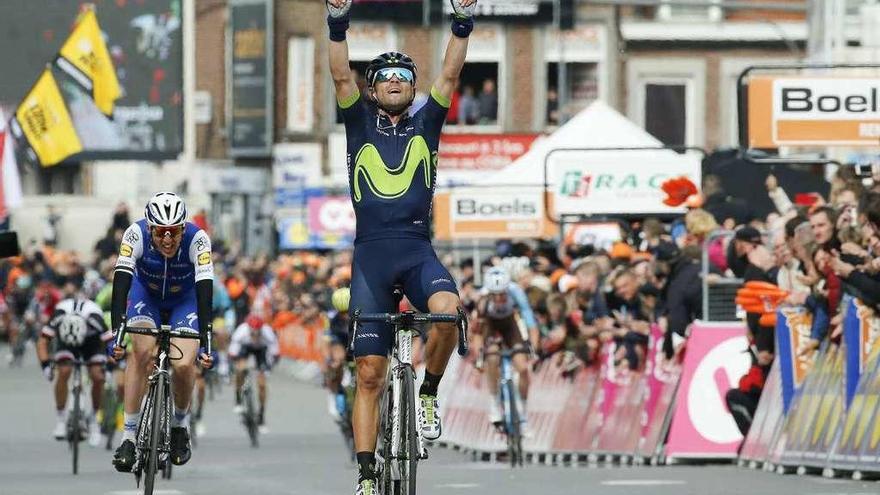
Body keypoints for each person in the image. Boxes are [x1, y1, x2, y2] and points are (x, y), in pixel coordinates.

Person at [326, 0, 476, 493]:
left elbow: (451, 74)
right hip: (370, 255)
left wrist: (462, 21)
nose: (393, 81)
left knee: (450, 312)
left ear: (412, 90)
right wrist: (337, 21)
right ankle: (367, 473)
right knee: (368, 373)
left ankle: (428, 391)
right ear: (374, 88)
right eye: (385, 76)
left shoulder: (426, 123)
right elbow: (340, 77)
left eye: (403, 77)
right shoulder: (358, 122)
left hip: (417, 249)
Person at [110, 191, 214, 472]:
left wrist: (206, 339)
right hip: (147, 296)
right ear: (149, 228)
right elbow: (120, 281)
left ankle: (180, 424)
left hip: (186, 299)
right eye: (160, 232)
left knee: (182, 365)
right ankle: (129, 437)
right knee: (141, 352)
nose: (167, 239)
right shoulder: (134, 234)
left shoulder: (199, 239)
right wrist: (116, 332)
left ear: (182, 228)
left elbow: (205, 291)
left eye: (173, 232)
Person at [36, 292, 111, 447]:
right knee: (64, 371)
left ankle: (94, 420)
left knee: (98, 377)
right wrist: (45, 366)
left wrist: (108, 366)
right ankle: (61, 418)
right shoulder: (59, 316)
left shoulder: (95, 318)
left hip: (92, 342)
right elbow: (42, 341)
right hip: (66, 341)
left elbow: (111, 343)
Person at [473, 266, 537, 426]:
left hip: (510, 324)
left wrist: (534, 350)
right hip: (490, 325)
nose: (500, 298)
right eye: (495, 295)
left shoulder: (516, 292)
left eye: (503, 293)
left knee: (522, 367)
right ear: (489, 292)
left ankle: (523, 408)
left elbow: (530, 322)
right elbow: (478, 333)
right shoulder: (482, 300)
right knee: (492, 358)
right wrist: (479, 358)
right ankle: (494, 402)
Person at [229, 314, 279, 432]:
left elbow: (275, 354)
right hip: (244, 348)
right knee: (240, 370)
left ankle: (261, 415)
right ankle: (238, 398)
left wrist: (267, 368)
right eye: (253, 333)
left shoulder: (268, 333)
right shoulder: (241, 332)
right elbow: (232, 354)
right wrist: (238, 366)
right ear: (249, 329)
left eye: (258, 333)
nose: (255, 335)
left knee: (262, 384)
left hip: (261, 351)